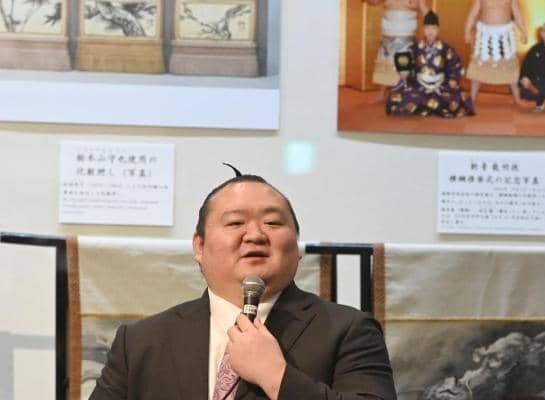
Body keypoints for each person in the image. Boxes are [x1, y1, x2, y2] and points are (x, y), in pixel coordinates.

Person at [91, 167, 396, 400]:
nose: (255, 235)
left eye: (272, 223)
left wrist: (276, 376)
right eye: (235, 223)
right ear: (199, 246)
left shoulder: (348, 330)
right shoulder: (141, 342)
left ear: (298, 247)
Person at [386, 11, 474, 118]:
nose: (430, 31)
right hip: (420, 86)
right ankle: (430, 108)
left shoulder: (446, 48)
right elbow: (407, 65)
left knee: (458, 98)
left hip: (440, 86)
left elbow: (455, 64)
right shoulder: (415, 48)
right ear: (423, 30)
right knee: (404, 96)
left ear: (438, 29)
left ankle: (425, 108)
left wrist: (454, 79)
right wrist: (405, 73)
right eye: (427, 28)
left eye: (433, 28)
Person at [364, 0, 429, 102]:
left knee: (404, 69)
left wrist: (429, 31)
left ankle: (406, 94)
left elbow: (427, 14)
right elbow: (374, 2)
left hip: (406, 38)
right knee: (385, 66)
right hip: (388, 36)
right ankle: (381, 95)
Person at [464, 0, 527, 105]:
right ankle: (472, 98)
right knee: (478, 67)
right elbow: (473, 14)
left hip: (504, 35)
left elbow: (517, 14)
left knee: (510, 67)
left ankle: (517, 98)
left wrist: (524, 31)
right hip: (485, 35)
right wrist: (467, 31)